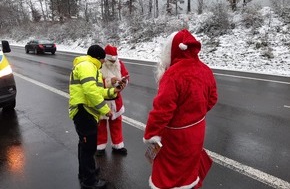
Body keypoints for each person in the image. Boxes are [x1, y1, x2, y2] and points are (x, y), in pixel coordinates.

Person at [143, 29, 218, 189]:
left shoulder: (172, 75)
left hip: (175, 136)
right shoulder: (205, 70)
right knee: (190, 167)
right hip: (197, 131)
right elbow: (212, 99)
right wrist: (195, 115)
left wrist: (151, 134)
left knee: (168, 172)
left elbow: (162, 110)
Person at [69, 44, 125, 189]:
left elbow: (98, 90)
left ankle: (86, 172)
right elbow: (90, 92)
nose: (103, 63)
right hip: (84, 112)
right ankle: (90, 181)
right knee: (88, 148)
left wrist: (113, 91)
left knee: (84, 146)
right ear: (98, 58)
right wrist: (105, 109)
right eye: (102, 60)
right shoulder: (87, 66)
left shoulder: (90, 67)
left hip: (85, 112)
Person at [96, 44, 129, 156]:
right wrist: (110, 81)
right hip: (102, 99)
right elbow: (97, 82)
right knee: (101, 124)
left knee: (116, 123)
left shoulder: (120, 64)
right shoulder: (99, 65)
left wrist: (124, 82)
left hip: (116, 99)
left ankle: (118, 145)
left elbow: (126, 76)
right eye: (110, 60)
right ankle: (100, 146)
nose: (113, 62)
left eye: (114, 60)